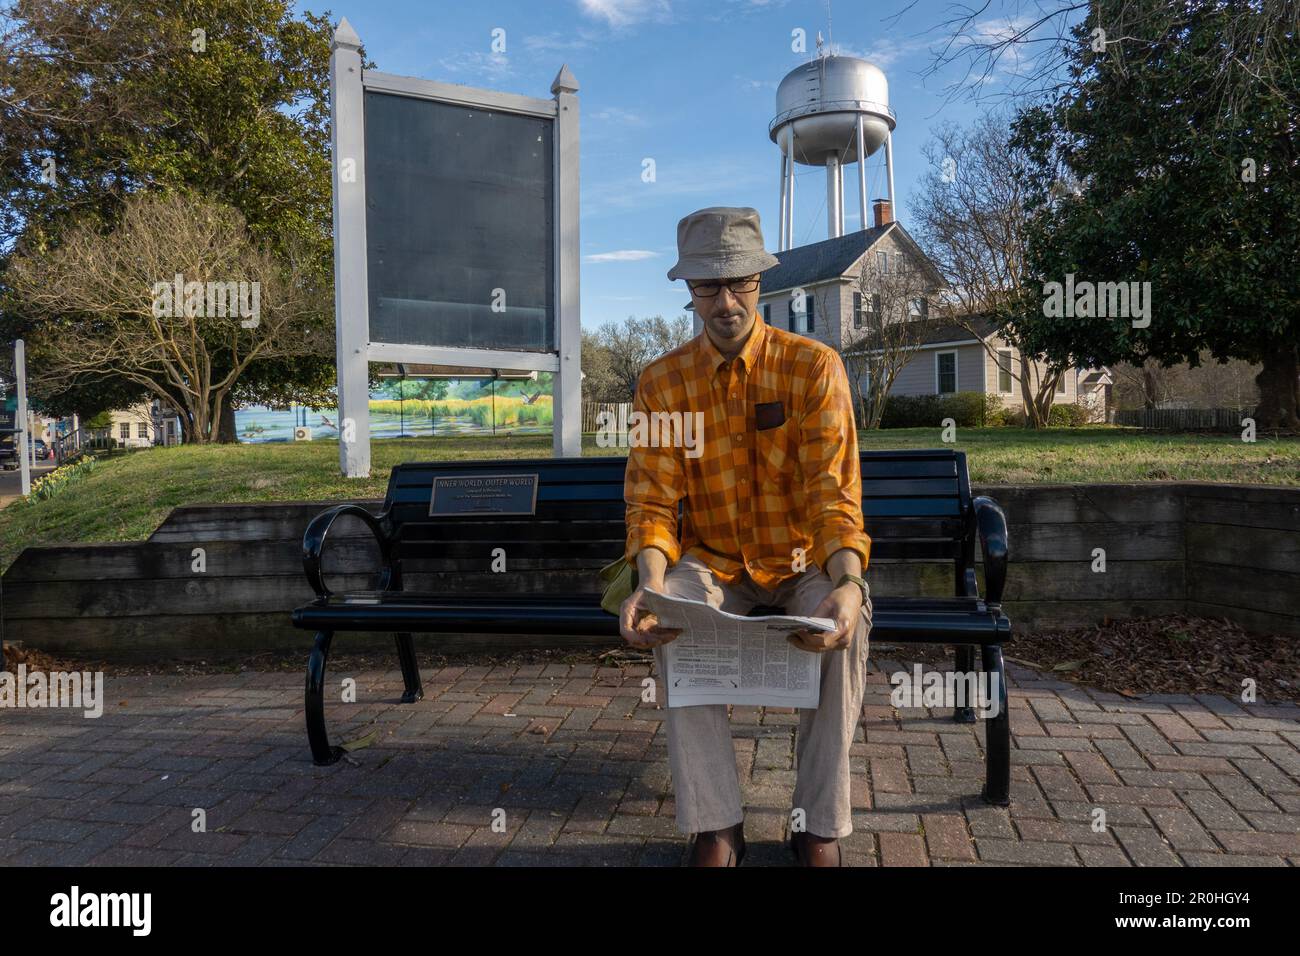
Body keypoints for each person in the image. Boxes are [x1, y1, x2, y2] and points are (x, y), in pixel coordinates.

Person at [619, 206, 873, 867]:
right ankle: (715, 824)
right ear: (688, 291)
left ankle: (817, 824)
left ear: (762, 281)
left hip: (802, 558)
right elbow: (652, 501)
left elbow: (834, 496)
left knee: (843, 626)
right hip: (713, 564)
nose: (726, 302)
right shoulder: (662, 383)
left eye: (741, 283)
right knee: (672, 607)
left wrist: (846, 582)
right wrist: (648, 585)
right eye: (708, 286)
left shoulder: (813, 368)